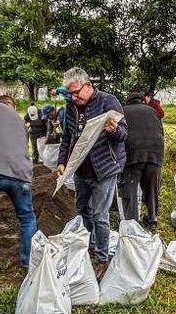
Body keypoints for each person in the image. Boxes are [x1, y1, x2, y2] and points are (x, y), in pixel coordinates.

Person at [56, 67, 128, 278]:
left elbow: (124, 134)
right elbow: (67, 137)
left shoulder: (108, 101)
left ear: (88, 85)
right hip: (80, 170)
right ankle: (89, 247)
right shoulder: (71, 107)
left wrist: (114, 130)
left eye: (77, 92)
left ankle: (102, 258)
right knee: (82, 210)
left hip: (104, 169)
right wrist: (62, 161)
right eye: (70, 93)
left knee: (99, 214)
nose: (74, 97)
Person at [0, 94, 38, 268]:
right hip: (22, 175)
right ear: (15, 107)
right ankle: (28, 262)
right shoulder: (21, 123)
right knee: (27, 218)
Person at [120, 91, 164, 232]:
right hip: (155, 154)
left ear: (128, 101)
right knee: (152, 188)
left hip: (132, 155)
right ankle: (152, 221)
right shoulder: (152, 111)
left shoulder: (123, 111)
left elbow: (119, 136)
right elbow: (161, 132)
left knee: (130, 191)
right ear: (142, 101)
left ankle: (133, 225)